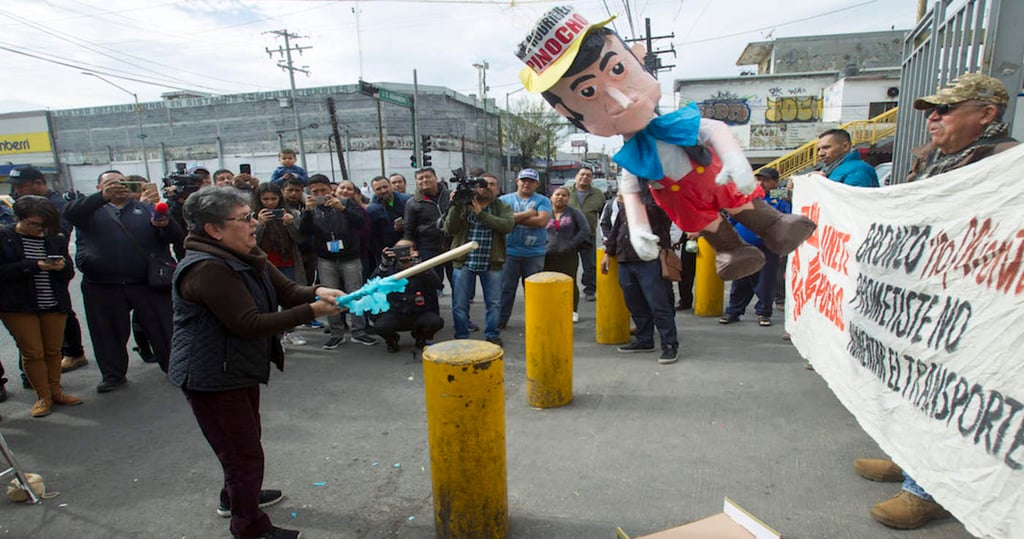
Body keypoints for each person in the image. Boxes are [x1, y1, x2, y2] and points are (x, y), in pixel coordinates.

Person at [514, 6, 815, 282]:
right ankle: (732, 251)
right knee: (709, 223)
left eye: (618, 70)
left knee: (739, 200)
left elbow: (716, 130)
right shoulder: (632, 158)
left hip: (710, 175)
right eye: (589, 91)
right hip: (679, 198)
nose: (620, 99)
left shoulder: (678, 124)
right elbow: (630, 192)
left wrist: (737, 163)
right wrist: (639, 229)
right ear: (567, 114)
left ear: (636, 57)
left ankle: (774, 225)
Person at [853, 72, 1017, 531]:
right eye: (932, 111)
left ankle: (929, 490)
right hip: (918, 302)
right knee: (909, 386)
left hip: (962, 309)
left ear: (986, 115)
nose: (934, 118)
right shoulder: (938, 160)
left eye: (947, 110)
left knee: (941, 396)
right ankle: (908, 460)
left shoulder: (1003, 161)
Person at [169, 186, 345, 539]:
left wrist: (316, 292)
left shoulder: (245, 253)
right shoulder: (207, 268)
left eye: (251, 216)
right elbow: (248, 324)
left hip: (236, 368)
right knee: (243, 453)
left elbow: (287, 292)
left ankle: (235, 496)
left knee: (242, 445)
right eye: (244, 218)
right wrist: (312, 312)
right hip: (211, 375)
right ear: (214, 230)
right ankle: (249, 526)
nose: (253, 224)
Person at [65, 170, 184, 392]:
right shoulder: (88, 211)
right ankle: (113, 374)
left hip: (146, 282)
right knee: (106, 332)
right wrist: (101, 199)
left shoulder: (147, 207)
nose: (117, 187)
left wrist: (164, 225)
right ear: (99, 188)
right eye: (109, 184)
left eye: (121, 183)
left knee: (163, 328)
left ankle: (174, 368)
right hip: (102, 285)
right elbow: (70, 214)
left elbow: (174, 237)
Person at [0, 195, 82, 417]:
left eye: (43, 225)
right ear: (20, 218)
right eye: (33, 224)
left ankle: (56, 392)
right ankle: (43, 396)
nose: (38, 229)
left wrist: (61, 267)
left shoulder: (53, 238)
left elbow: (69, 272)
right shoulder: (5, 237)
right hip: (18, 306)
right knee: (33, 352)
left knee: (53, 350)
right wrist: (34, 265)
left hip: (53, 302)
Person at [7, 166, 90, 374]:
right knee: (31, 341)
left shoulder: (57, 206)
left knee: (62, 313)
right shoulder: (13, 209)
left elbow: (59, 235)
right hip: (23, 282)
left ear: (38, 183)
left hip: (51, 272)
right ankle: (38, 378)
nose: (18, 191)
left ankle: (72, 354)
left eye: (22, 186)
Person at [299, 175, 376, 348]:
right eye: (315, 191)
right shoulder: (311, 208)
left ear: (330, 189)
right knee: (329, 297)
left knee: (355, 293)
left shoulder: (346, 203)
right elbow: (304, 232)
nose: (320, 194)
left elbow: (360, 222)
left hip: (350, 257)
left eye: (323, 190)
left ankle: (359, 331)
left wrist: (342, 208)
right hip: (326, 259)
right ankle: (336, 332)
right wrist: (308, 211)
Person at [602, 191, 678, 364]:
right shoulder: (626, 204)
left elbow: (660, 217)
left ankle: (669, 345)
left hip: (650, 259)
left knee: (659, 304)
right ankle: (644, 340)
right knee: (634, 303)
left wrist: (633, 201)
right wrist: (608, 253)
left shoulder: (658, 199)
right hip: (625, 259)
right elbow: (616, 231)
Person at [442, 173, 515, 345]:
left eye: (492, 184)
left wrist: (480, 214)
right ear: (476, 187)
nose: (487, 187)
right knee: (459, 303)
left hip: (492, 262)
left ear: (497, 189)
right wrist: (455, 206)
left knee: (494, 303)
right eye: (483, 184)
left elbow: (506, 226)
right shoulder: (464, 204)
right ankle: (461, 335)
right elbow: (449, 229)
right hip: (464, 261)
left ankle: (492, 334)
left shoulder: (502, 206)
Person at [718, 168, 789, 327]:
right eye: (759, 179)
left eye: (766, 180)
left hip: (767, 248)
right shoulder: (747, 198)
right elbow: (733, 219)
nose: (761, 183)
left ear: (776, 182)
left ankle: (764, 313)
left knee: (765, 282)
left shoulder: (781, 200)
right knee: (740, 280)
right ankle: (734, 311)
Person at [498, 168, 552, 329]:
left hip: (534, 253)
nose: (527, 183)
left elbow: (542, 222)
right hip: (509, 252)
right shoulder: (504, 200)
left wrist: (513, 219)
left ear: (537, 184)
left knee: (534, 291)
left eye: (531, 181)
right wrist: (528, 213)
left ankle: (536, 321)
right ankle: (500, 322)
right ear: (517, 182)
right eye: (524, 180)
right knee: (506, 290)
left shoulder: (543, 201)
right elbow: (501, 220)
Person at [369, 240, 444, 352]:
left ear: (414, 251)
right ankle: (392, 340)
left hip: (418, 312)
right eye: (398, 249)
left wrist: (421, 266)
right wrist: (383, 265)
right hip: (395, 312)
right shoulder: (389, 268)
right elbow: (372, 286)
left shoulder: (422, 267)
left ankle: (420, 337)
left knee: (435, 322)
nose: (402, 252)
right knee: (380, 326)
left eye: (406, 249)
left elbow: (438, 285)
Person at [402, 167, 452, 303]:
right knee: (431, 287)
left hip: (453, 246)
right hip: (428, 248)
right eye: (420, 178)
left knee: (459, 286)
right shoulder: (412, 203)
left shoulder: (450, 195)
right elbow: (409, 230)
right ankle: (433, 317)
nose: (424, 180)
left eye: (428, 177)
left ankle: (462, 321)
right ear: (416, 182)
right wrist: (411, 249)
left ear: (435, 178)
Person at [544, 186, 591, 322]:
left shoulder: (574, 213)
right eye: (557, 195)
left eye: (564, 195)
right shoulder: (544, 212)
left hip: (568, 255)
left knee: (570, 282)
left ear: (568, 199)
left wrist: (570, 244)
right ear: (551, 197)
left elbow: (584, 230)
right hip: (547, 255)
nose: (560, 197)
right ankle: (550, 309)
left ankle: (572, 310)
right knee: (548, 283)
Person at [566, 166, 604, 302]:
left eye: (588, 175)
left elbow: (604, 216)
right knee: (568, 264)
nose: (585, 177)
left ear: (592, 178)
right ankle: (568, 289)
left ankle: (590, 289)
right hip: (568, 236)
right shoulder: (566, 192)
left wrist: (606, 236)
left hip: (589, 235)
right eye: (582, 174)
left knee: (590, 265)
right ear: (576, 176)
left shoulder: (598, 194)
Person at [366, 175, 411, 268]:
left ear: (390, 186)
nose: (383, 190)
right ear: (374, 191)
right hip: (388, 250)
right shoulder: (371, 210)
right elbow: (373, 237)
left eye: (385, 187)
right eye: (378, 189)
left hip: (410, 246)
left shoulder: (407, 200)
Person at [813, 129, 879, 187]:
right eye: (818, 149)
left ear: (845, 147)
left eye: (826, 147)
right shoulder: (830, 170)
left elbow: (852, 199)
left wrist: (824, 184)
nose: (820, 153)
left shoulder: (858, 169)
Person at [336, 180, 374, 279]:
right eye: (342, 188)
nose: (345, 191)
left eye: (349, 189)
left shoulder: (360, 211)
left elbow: (365, 232)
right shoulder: (326, 210)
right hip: (333, 259)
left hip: (358, 256)